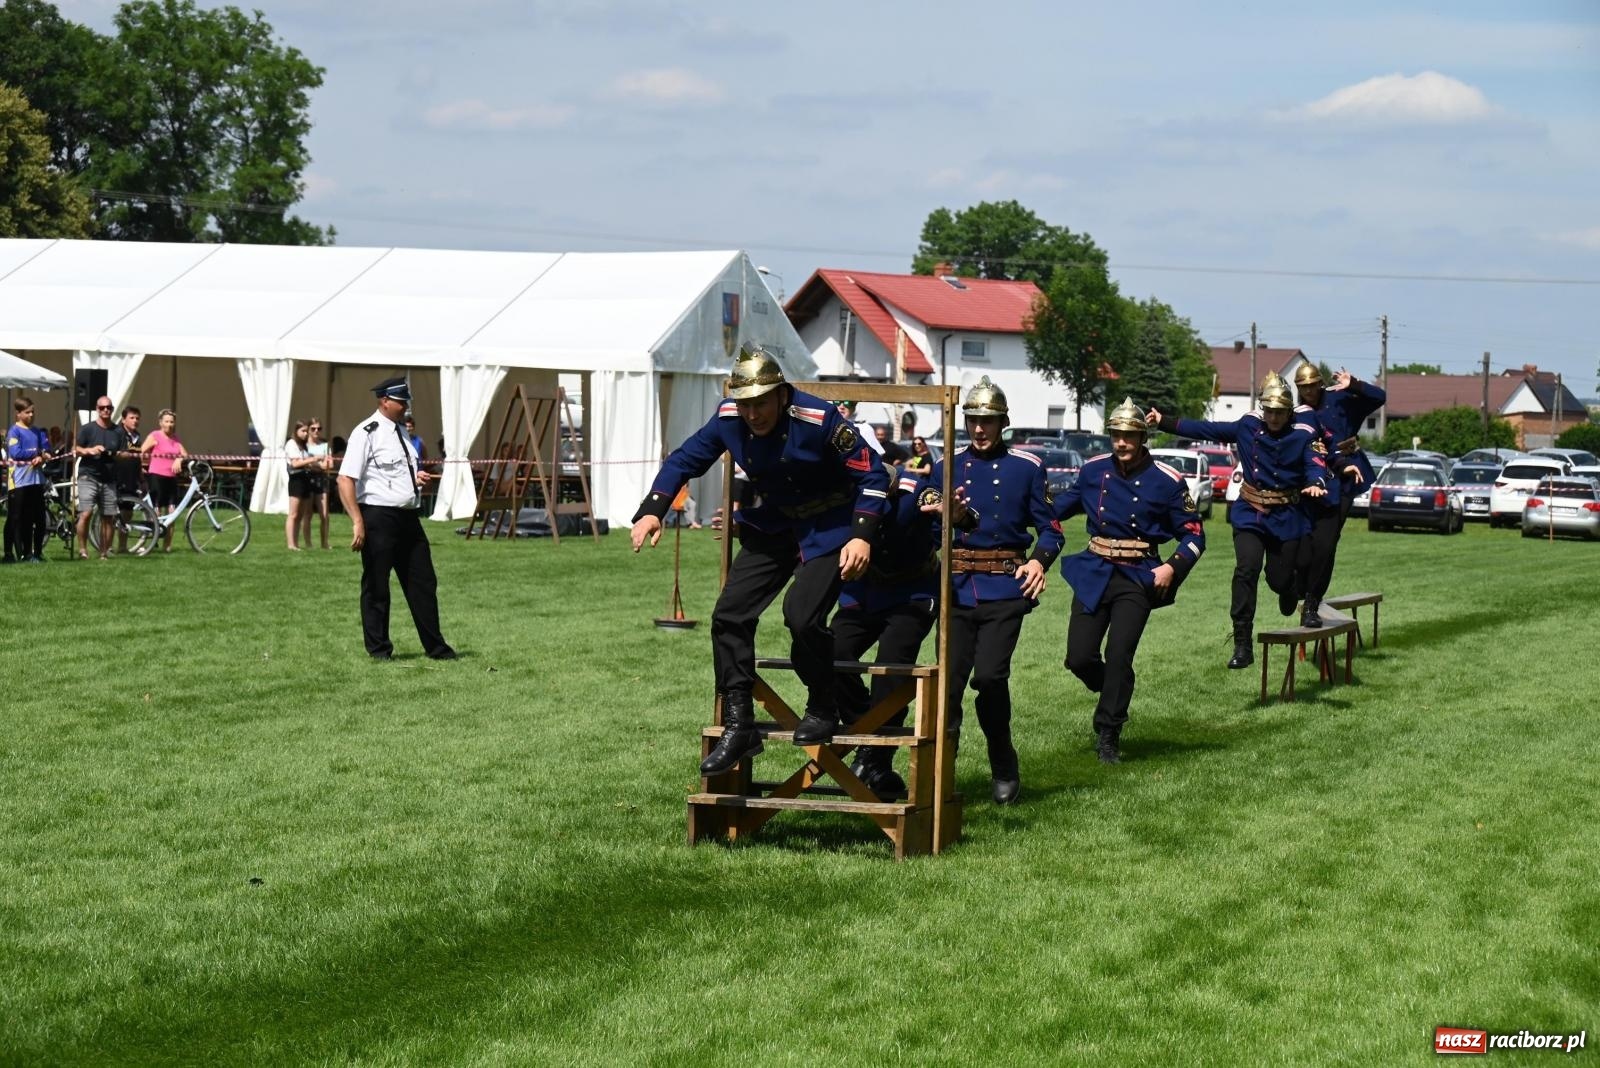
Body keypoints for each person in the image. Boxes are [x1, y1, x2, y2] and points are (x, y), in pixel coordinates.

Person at [631, 345, 888, 774]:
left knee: (802, 616)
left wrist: (862, 537)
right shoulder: (728, 417)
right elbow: (685, 459)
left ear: (782, 395)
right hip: (775, 525)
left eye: (761, 403)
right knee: (728, 615)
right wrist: (653, 508)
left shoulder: (821, 419)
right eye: (746, 404)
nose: (753, 414)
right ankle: (740, 725)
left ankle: (824, 704)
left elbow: (873, 474)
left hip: (831, 528)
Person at [927, 376, 1064, 804]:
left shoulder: (1027, 467)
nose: (979, 428)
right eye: (973, 419)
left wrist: (1040, 562)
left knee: (989, 677)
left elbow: (1052, 530)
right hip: (955, 588)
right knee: (947, 685)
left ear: (1003, 421)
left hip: (1005, 588)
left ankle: (1003, 761)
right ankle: (940, 777)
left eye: (988, 420)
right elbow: (928, 527)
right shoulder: (945, 465)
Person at [1055, 398, 1206, 764]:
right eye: (1116, 435)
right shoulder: (1092, 472)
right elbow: (1056, 509)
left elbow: (1195, 535)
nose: (1121, 443)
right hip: (1094, 569)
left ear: (1142, 438)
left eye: (1129, 436)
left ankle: (1109, 732)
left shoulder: (1167, 481)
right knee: (1078, 657)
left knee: (1120, 654)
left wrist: (1171, 567)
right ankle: (1114, 685)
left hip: (1137, 576)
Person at [1148, 371, 1328, 668]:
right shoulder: (1248, 427)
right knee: (1246, 569)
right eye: (1269, 411)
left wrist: (1317, 483)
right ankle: (1243, 643)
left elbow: (1315, 464)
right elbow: (1208, 428)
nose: (1273, 418)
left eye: (1279, 413)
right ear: (1262, 409)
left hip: (1287, 517)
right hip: (1251, 514)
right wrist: (1165, 420)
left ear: (1288, 412)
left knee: (1279, 580)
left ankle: (1289, 588)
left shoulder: (1303, 434)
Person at [832, 469, 976, 798]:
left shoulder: (916, 492)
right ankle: (871, 737)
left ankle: (873, 754)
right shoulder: (844, 489)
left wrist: (957, 514)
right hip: (865, 590)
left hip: (913, 591)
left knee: (891, 665)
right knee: (830, 651)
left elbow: (960, 517)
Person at [337, 376, 455, 661]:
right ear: (384, 401)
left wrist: (416, 478)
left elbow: (392, 473)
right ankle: (379, 650)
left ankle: (436, 648)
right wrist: (357, 521)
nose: (405, 407)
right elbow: (345, 479)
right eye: (401, 402)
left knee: (424, 581)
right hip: (378, 516)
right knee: (377, 584)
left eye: (406, 402)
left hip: (407, 517)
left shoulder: (402, 433)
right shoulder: (366, 432)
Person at [1293, 364, 1386, 624]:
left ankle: (1312, 601)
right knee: (1303, 542)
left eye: (1313, 385)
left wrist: (1354, 384)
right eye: (1304, 387)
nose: (1309, 391)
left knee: (1327, 543)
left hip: (1344, 477)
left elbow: (1380, 397)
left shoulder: (1339, 398)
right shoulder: (1295, 413)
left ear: (1320, 383)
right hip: (1308, 480)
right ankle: (1298, 586)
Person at [73, 395, 125, 560]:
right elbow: (75, 448)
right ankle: (83, 550)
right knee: (86, 513)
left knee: (108, 517)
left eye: (108, 408)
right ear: (97, 409)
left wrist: (118, 454)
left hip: (109, 478)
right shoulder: (88, 428)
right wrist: (90, 450)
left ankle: (104, 552)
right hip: (88, 476)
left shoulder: (118, 431)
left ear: (112, 409)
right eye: (102, 407)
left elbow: (123, 452)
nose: (105, 410)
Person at [5, 398, 50, 564]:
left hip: (36, 481)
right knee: (17, 518)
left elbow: (47, 451)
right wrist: (36, 453)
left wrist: (44, 456)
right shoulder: (14, 431)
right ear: (18, 414)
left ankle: (36, 553)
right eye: (27, 412)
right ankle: (20, 554)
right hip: (19, 481)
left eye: (33, 411)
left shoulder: (38, 431)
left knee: (38, 519)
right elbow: (16, 453)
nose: (31, 415)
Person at [139, 409, 188, 554]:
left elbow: (185, 454)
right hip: (156, 476)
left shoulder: (176, 438)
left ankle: (167, 546)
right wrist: (141, 466)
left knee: (172, 512)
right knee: (157, 511)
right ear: (160, 423)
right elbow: (140, 451)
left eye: (172, 422)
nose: (169, 424)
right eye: (166, 421)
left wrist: (179, 459)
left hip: (171, 478)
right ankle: (152, 542)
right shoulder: (155, 435)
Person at [284, 419, 320, 551]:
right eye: (303, 431)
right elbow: (295, 464)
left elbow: (307, 464)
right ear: (296, 431)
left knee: (301, 514)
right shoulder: (291, 444)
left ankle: (296, 543)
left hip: (306, 479)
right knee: (293, 514)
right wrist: (313, 459)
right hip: (296, 480)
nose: (305, 434)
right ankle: (290, 544)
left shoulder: (304, 446)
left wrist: (317, 464)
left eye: (306, 431)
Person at [114, 406, 143, 555]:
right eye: (132, 418)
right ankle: (106, 546)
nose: (135, 421)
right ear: (124, 419)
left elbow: (138, 459)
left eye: (137, 418)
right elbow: (112, 453)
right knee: (113, 514)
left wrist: (141, 477)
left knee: (127, 514)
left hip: (132, 479)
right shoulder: (118, 433)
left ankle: (122, 547)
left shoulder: (137, 436)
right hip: (118, 477)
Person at [304, 417, 333, 549]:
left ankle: (324, 543)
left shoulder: (325, 446)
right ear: (308, 429)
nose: (316, 431)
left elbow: (330, 464)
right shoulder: (304, 446)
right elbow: (304, 465)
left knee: (324, 514)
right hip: (308, 480)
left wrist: (314, 464)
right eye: (313, 428)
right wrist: (319, 463)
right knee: (307, 514)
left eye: (319, 429)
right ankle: (308, 543)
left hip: (322, 480)